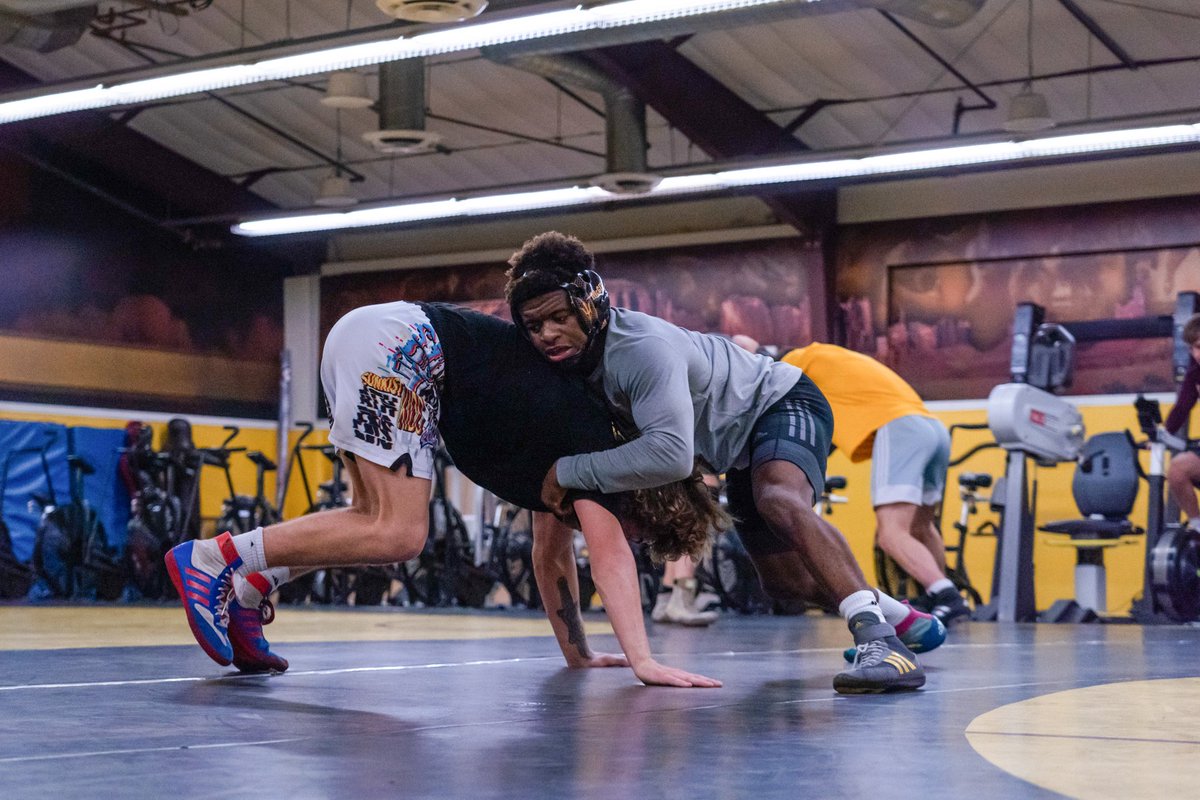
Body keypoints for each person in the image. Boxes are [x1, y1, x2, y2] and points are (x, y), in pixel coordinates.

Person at [166, 300, 724, 688]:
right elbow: (610, 559)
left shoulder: (569, 472)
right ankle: (215, 558)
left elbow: (550, 558)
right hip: (405, 349)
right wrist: (643, 660)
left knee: (370, 517)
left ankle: (248, 587)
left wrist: (579, 657)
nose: (630, 540)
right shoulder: (602, 463)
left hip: (377, 338)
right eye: (643, 535)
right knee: (400, 533)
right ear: (646, 507)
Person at [505, 231, 943, 694]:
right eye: (534, 326)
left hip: (780, 401)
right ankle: (901, 617)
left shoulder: (639, 349)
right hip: (735, 444)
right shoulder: (568, 366)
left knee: (777, 499)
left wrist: (567, 471)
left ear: (590, 304)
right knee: (784, 581)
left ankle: (879, 641)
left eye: (558, 317)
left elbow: (671, 455)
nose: (547, 334)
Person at [760, 338, 971, 625]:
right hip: (932, 428)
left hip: (899, 427)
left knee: (891, 533)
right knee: (921, 527)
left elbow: (785, 419)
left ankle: (947, 597)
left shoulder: (796, 361)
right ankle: (940, 595)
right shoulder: (832, 357)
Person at [1165, 314, 1200, 531]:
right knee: (1178, 468)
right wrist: (1163, 435)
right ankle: (1197, 528)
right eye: (1193, 348)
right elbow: (1181, 408)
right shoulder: (1195, 375)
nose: (1197, 354)